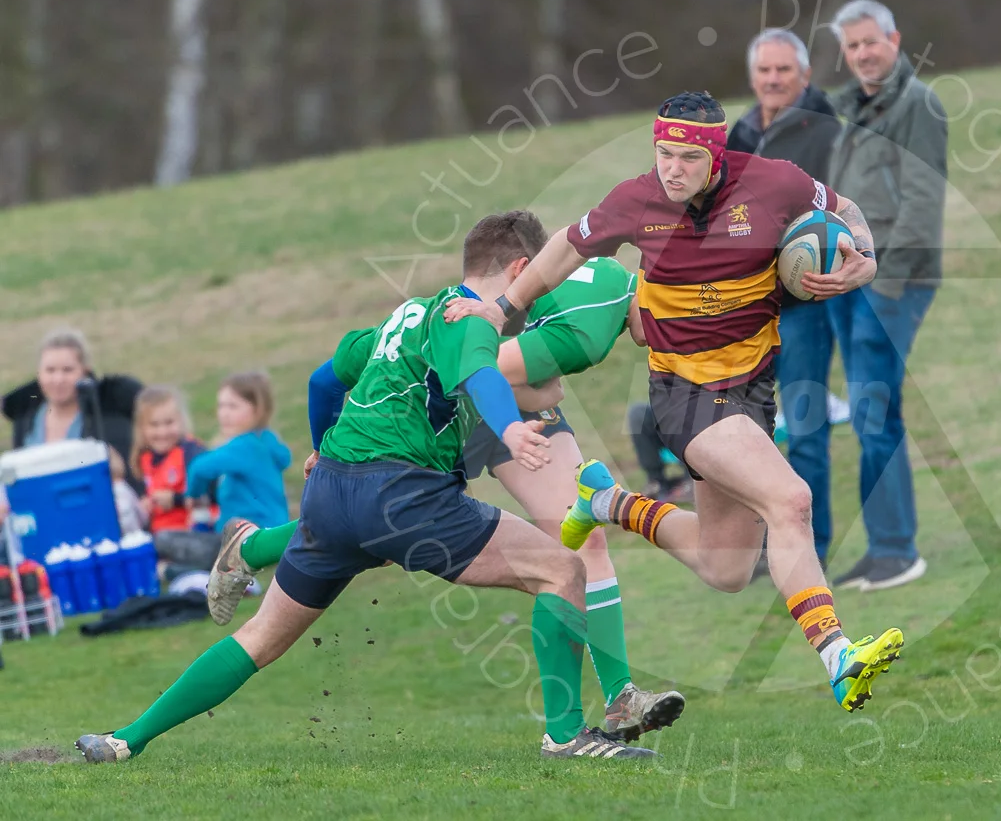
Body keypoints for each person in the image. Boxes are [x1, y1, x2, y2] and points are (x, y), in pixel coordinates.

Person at [76, 214, 653, 764]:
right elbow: (482, 372)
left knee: (261, 638)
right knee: (562, 571)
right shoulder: (468, 317)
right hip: (403, 494)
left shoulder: (404, 316)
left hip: (332, 493)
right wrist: (508, 428)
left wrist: (325, 448)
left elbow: (324, 378)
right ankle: (567, 737)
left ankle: (126, 738)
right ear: (520, 269)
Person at [444, 92, 903, 714]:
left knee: (725, 566)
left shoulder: (775, 184)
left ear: (716, 157)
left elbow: (844, 209)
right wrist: (502, 309)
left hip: (752, 389)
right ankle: (837, 656)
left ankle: (607, 501)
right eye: (663, 154)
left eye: (687, 157)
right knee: (790, 500)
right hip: (684, 394)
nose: (672, 169)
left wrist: (863, 262)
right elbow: (565, 250)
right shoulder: (636, 200)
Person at [823, 0, 949, 592]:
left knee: (874, 411)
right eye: (852, 46)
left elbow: (923, 202)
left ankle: (897, 550)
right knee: (873, 411)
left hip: (891, 281)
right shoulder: (854, 108)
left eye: (871, 41)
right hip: (853, 277)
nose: (863, 54)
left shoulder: (917, 104)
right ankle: (884, 549)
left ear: (894, 40)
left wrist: (884, 280)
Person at [729, 27, 844, 579]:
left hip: (804, 309)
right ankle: (764, 545)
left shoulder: (826, 132)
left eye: (784, 70)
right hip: (748, 308)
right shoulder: (742, 131)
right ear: (753, 76)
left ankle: (811, 547)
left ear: (805, 75)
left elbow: (834, 215)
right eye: (764, 71)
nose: (773, 80)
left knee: (805, 420)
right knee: (749, 430)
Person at [1, 328, 142, 483]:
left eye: (67, 370)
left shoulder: (108, 411)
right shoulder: (25, 417)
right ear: (39, 374)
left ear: (85, 372)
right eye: (50, 370)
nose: (58, 379)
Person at [184, 372, 291, 533]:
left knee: (164, 541)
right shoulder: (267, 440)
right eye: (221, 405)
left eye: (233, 406)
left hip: (248, 539)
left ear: (257, 410)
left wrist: (194, 496)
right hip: (276, 532)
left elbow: (198, 468)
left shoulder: (244, 446)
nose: (224, 414)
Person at [132, 386, 213, 535]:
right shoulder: (144, 459)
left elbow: (209, 494)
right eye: (154, 425)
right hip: (160, 534)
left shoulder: (191, 451)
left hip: (193, 532)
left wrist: (175, 500)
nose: (162, 432)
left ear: (181, 421)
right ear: (142, 428)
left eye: (169, 423)